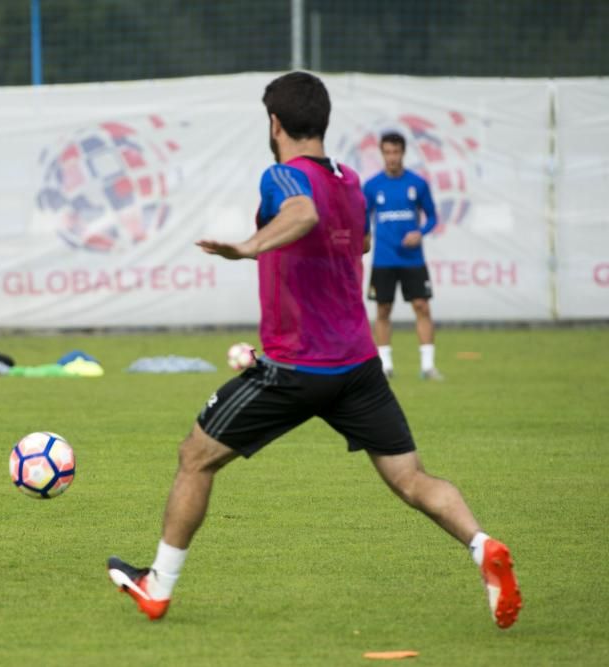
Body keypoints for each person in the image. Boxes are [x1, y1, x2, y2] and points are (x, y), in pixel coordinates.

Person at [106, 72, 521, 628]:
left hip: (294, 367)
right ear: (322, 122)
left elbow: (302, 214)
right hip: (359, 367)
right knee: (411, 479)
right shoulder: (351, 180)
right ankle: (482, 545)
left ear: (274, 123)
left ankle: (158, 583)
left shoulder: (282, 174)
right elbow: (361, 241)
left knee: (194, 458)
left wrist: (248, 248)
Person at [363, 131, 443, 380]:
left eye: (396, 152)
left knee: (422, 307)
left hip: (412, 259)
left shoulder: (417, 184)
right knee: (383, 310)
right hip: (383, 259)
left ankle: (428, 366)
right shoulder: (372, 186)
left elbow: (432, 217)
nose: (392, 157)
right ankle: (385, 366)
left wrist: (421, 232)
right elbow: (363, 220)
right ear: (382, 153)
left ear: (403, 153)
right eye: (387, 152)